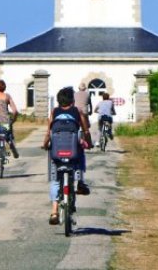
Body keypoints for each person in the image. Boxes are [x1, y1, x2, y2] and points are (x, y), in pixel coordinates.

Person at [43, 86, 91, 225]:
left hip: (56, 153)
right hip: (73, 151)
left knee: (55, 180)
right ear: (72, 100)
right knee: (80, 153)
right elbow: (86, 131)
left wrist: (45, 144)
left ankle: (54, 212)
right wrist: (89, 142)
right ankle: (80, 182)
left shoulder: (54, 112)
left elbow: (48, 132)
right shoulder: (77, 111)